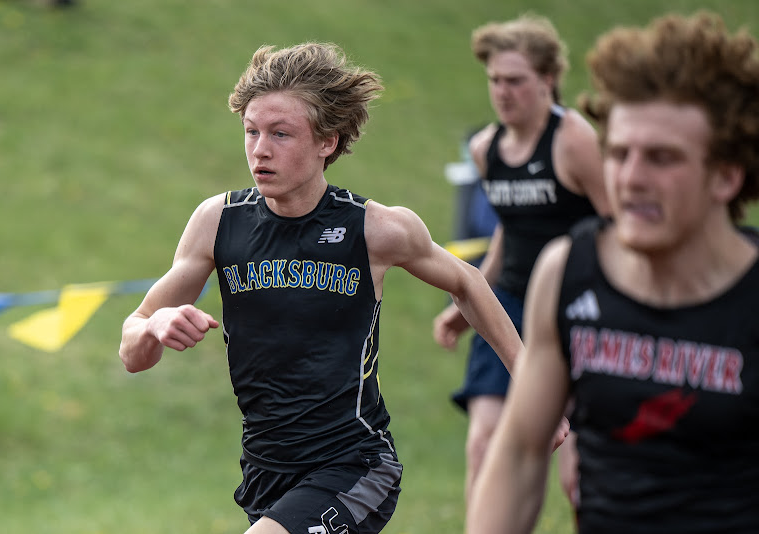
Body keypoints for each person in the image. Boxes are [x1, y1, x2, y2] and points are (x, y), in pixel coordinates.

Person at [118, 42, 526, 534]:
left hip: (355, 464)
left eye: (281, 134)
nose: (259, 149)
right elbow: (133, 353)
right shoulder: (218, 222)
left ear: (327, 142)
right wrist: (156, 323)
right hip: (266, 471)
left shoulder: (376, 229)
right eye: (251, 132)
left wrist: (528, 383)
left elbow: (467, 281)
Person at [466, 11, 759, 534]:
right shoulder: (570, 273)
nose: (631, 179)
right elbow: (521, 452)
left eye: (662, 158)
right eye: (619, 155)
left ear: (727, 176)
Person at [432, 13, 609, 507]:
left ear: (548, 79)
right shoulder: (486, 148)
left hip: (574, 305)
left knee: (579, 466)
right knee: (484, 443)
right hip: (508, 302)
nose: (502, 92)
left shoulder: (573, 139)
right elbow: (510, 229)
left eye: (515, 80)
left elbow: (618, 224)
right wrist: (468, 299)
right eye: (494, 81)